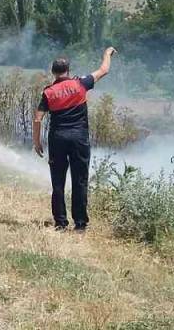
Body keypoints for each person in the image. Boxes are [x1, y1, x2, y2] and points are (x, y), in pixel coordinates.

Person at [32, 47, 116, 232]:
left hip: (58, 139)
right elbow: (104, 70)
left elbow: (38, 118)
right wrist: (107, 54)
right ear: (68, 71)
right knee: (79, 180)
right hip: (79, 139)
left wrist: (37, 142)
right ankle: (80, 224)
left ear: (53, 73)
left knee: (58, 182)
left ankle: (61, 223)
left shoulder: (49, 92)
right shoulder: (81, 84)